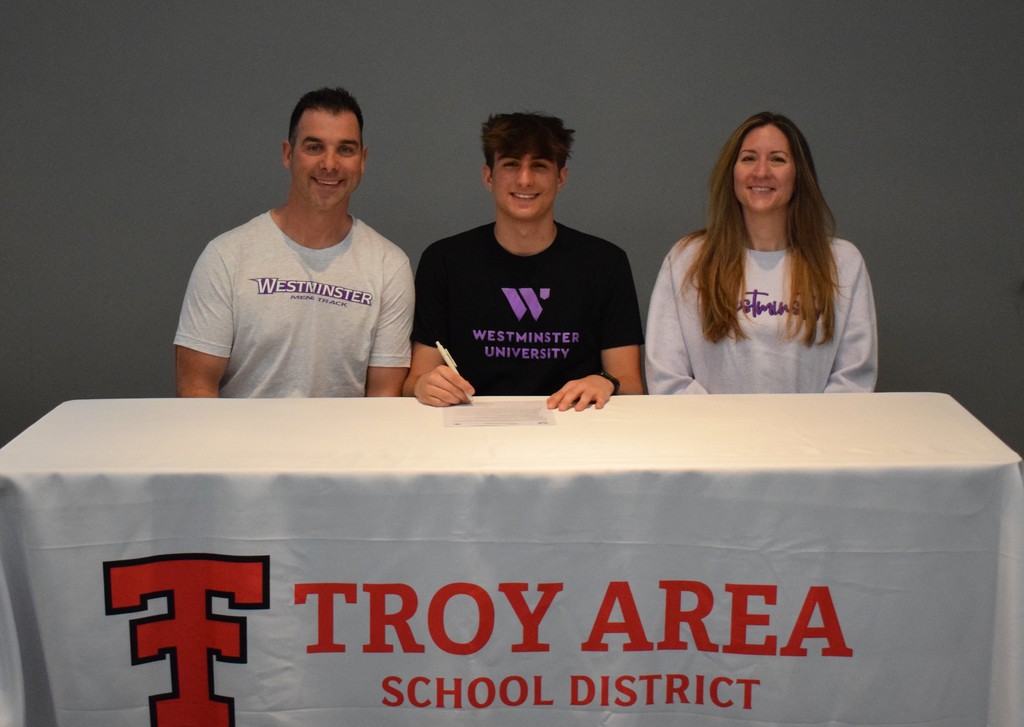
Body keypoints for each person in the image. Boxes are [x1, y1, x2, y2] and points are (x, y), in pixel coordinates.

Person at [174, 87, 414, 398]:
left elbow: (383, 398)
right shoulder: (226, 256)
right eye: (314, 147)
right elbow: (196, 389)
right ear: (288, 154)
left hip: (345, 434)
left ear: (362, 160)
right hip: (243, 433)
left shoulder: (389, 266)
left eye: (345, 149)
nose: (330, 164)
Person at [404, 112, 644, 411]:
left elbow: (630, 383)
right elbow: (415, 380)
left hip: (574, 422)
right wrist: (424, 385)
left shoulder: (605, 263)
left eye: (539, 166)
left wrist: (606, 381)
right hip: (472, 424)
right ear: (488, 176)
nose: (525, 179)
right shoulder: (444, 261)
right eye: (511, 164)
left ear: (561, 178)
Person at [645, 111, 877, 394]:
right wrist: (725, 423)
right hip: (710, 425)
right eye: (749, 158)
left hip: (814, 426)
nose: (761, 172)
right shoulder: (687, 259)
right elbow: (668, 378)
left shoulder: (842, 262)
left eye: (777, 159)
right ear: (732, 172)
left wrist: (805, 423)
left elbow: (853, 379)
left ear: (799, 174)